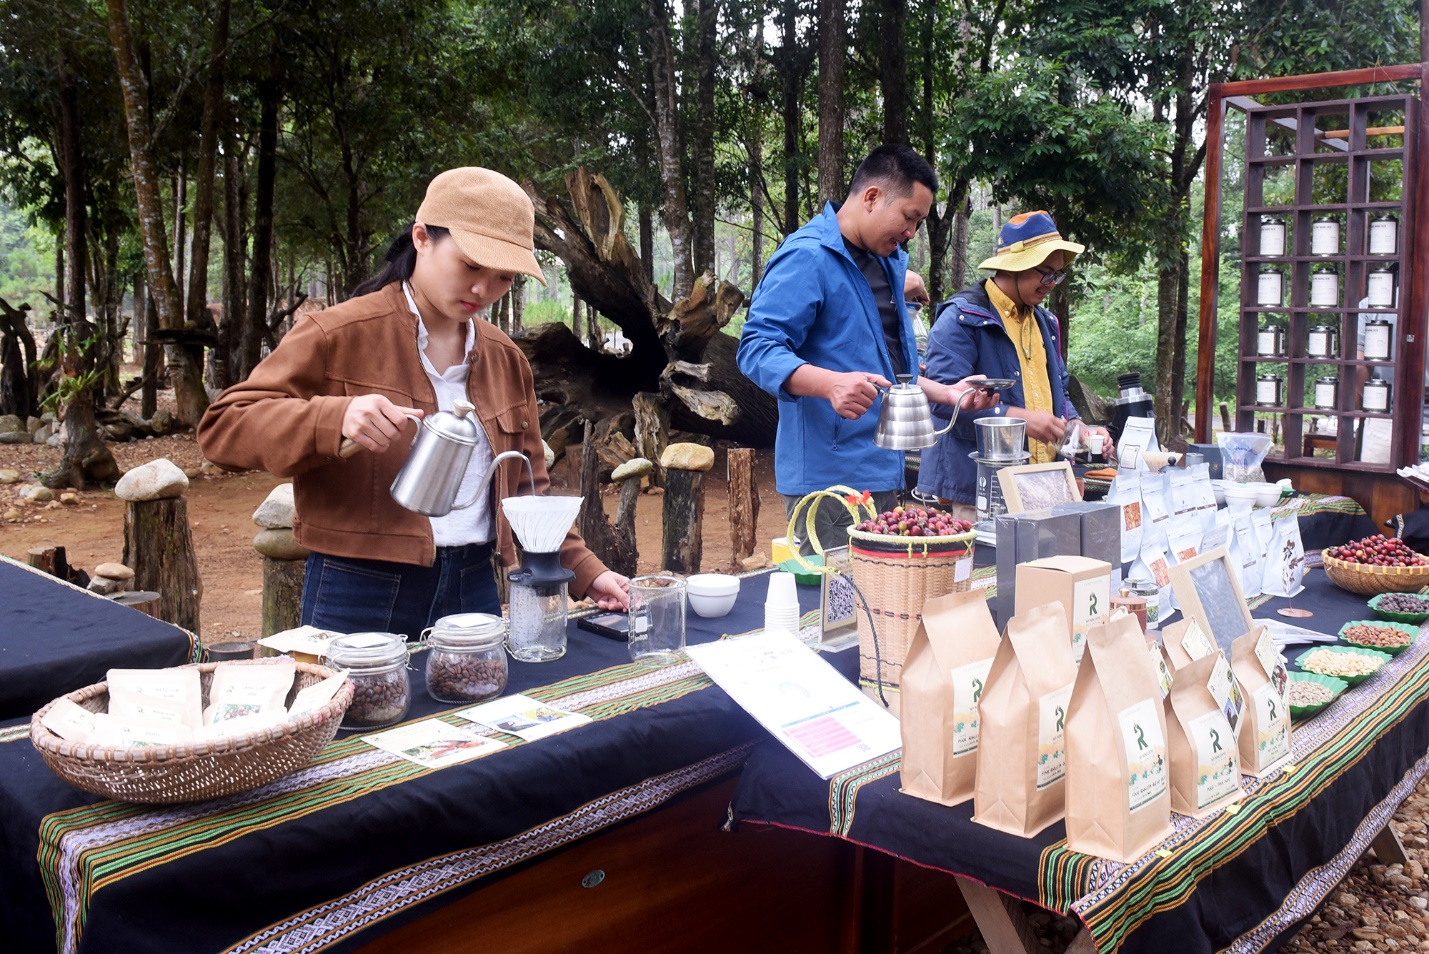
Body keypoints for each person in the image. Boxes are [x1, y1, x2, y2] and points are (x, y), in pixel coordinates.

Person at [199, 167, 630, 639]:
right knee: (353, 694)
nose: (483, 290)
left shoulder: (506, 359)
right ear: (422, 238)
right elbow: (223, 427)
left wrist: (586, 572)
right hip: (357, 586)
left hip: (475, 584)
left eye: (503, 277)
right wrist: (334, 419)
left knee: (485, 693)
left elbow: (528, 488)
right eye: (471, 266)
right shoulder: (336, 334)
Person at [737, 144, 997, 551]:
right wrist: (830, 385)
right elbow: (756, 347)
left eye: (919, 222)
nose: (912, 232)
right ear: (872, 197)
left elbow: (888, 373)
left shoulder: (885, 263)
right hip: (829, 483)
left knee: (882, 588)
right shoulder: (808, 257)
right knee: (839, 592)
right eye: (909, 217)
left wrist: (949, 394)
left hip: (883, 470)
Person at [917, 210, 1108, 519]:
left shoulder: (1046, 323)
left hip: (1044, 482)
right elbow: (941, 401)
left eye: (1058, 275)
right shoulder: (961, 318)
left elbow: (1059, 393)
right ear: (1015, 266)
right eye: (1046, 273)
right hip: (982, 490)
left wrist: (1079, 428)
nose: (1052, 284)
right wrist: (1019, 420)